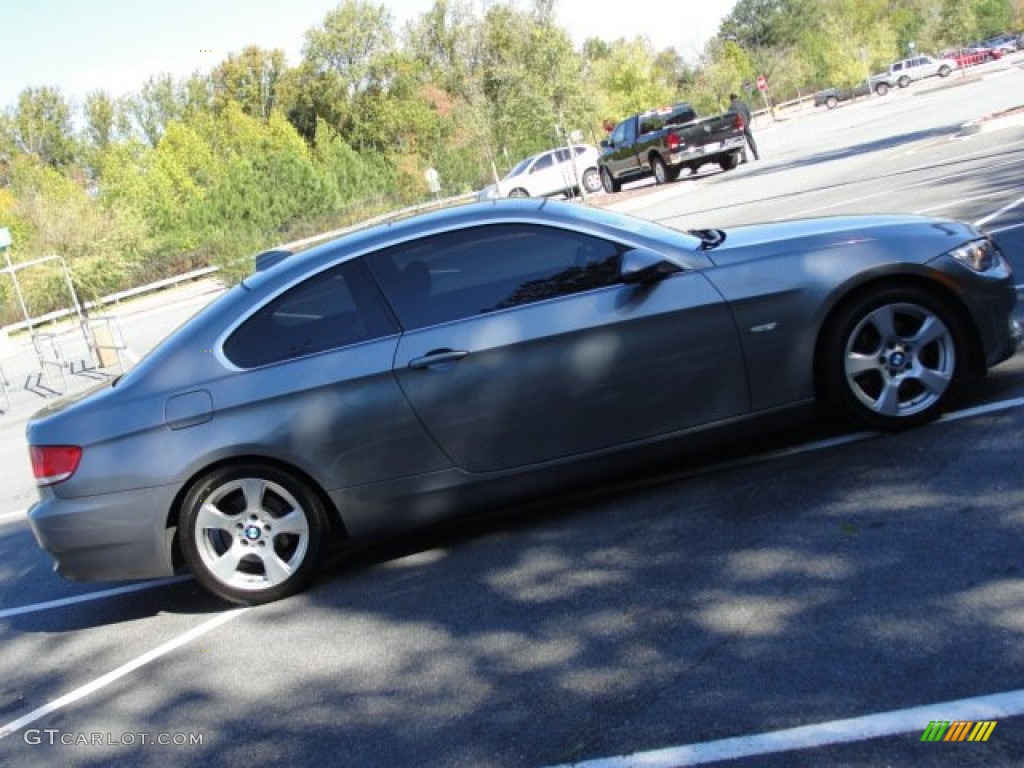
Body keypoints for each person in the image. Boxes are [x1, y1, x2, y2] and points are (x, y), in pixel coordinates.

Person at [729, 93, 759, 161]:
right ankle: (756, 155)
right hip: (746, 124)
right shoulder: (743, 104)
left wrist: (734, 127)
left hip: (738, 126)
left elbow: (731, 118)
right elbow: (749, 114)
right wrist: (748, 123)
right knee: (751, 140)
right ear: (737, 97)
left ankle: (744, 158)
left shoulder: (731, 107)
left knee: (741, 141)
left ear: (731, 99)